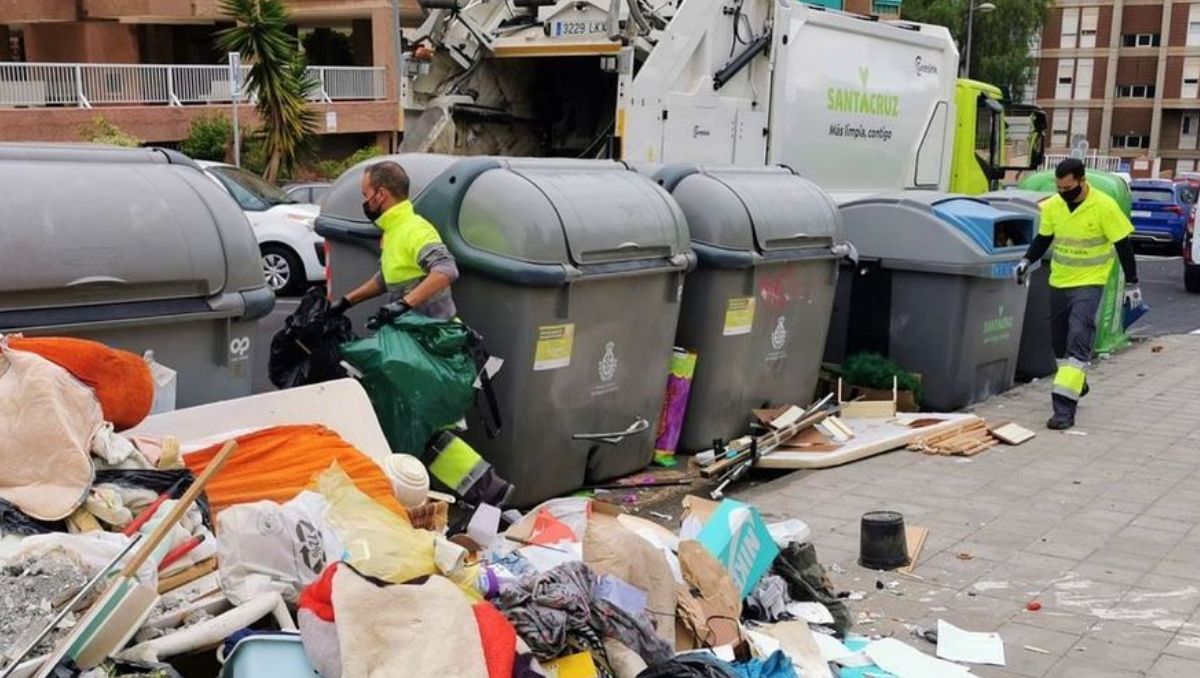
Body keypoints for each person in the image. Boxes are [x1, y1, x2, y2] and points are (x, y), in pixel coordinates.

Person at [1014, 158, 1143, 431]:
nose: (1064, 193)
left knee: (1078, 337)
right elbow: (1044, 238)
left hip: (1091, 282)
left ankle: (1063, 409)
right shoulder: (1054, 205)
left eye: (1069, 188)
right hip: (1059, 280)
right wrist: (1026, 261)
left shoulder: (1104, 206)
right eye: (1060, 188)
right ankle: (1077, 382)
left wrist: (1132, 282)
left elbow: (1123, 246)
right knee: (1059, 345)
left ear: (1083, 182)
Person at [329, 161, 458, 324]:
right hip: (412, 333)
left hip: (433, 337)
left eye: (366, 195)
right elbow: (388, 277)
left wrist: (404, 304)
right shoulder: (393, 230)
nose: (365, 202)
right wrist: (346, 302)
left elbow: (446, 269)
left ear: (381, 194)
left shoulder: (415, 229)